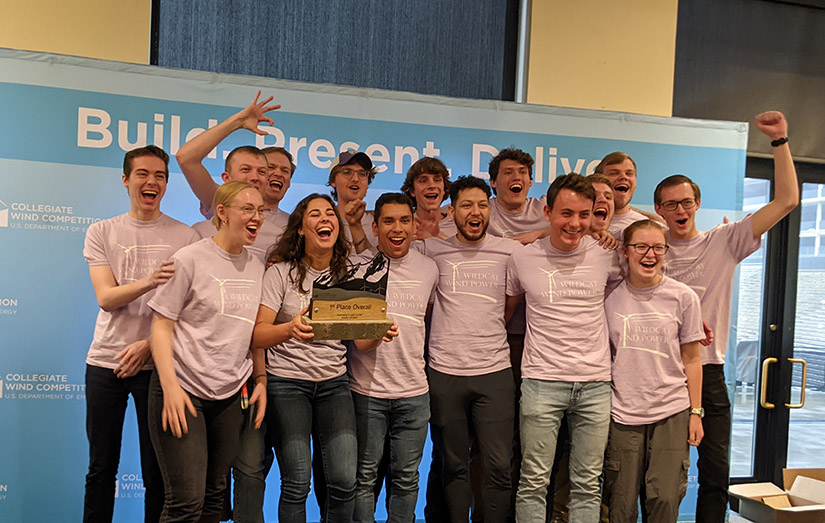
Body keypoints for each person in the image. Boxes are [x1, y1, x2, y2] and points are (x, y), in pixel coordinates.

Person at [654, 111, 799, 523]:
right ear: (659, 210)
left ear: (696, 204)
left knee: (715, 474)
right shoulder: (647, 249)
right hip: (659, 374)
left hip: (710, 372)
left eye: (686, 201)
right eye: (670, 204)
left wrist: (780, 141)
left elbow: (787, 201)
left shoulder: (726, 240)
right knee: (658, 478)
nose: (680, 209)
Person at [252, 193, 396, 522]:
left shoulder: (349, 275)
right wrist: (289, 329)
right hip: (286, 385)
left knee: (345, 482)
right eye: (314, 214)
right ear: (301, 228)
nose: (325, 219)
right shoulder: (280, 274)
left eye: (330, 213)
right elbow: (257, 334)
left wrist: (378, 333)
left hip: (333, 385)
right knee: (297, 483)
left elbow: (361, 345)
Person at [82, 145, 197, 523]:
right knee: (101, 468)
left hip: (159, 367)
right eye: (143, 174)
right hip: (105, 362)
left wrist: (149, 346)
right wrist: (149, 281)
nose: (152, 182)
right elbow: (106, 298)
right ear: (126, 179)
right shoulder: (102, 231)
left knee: (157, 474)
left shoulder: (185, 236)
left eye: (160, 176)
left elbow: (189, 311)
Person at [147, 181, 267, 521]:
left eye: (260, 210)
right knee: (186, 503)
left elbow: (252, 333)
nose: (256, 216)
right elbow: (160, 326)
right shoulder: (189, 258)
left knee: (216, 498)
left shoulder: (257, 267)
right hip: (183, 390)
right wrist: (169, 387)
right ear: (223, 213)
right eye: (247, 209)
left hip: (230, 395)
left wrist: (261, 380)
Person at [507, 173, 621, 523]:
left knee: (588, 484)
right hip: (541, 383)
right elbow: (506, 313)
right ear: (548, 211)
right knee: (533, 482)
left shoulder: (608, 256)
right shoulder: (523, 259)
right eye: (566, 213)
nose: (575, 223)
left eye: (584, 215)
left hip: (596, 384)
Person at [422, 175, 518, 523]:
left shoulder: (509, 251)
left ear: (489, 209)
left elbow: (509, 307)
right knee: (452, 464)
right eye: (466, 205)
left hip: (494, 374)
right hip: (445, 373)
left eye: (481, 204)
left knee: (497, 466)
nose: (475, 212)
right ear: (452, 211)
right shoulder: (432, 250)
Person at [602, 220, 705, 522]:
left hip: (671, 410)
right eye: (641, 247)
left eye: (658, 247)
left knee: (664, 497)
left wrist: (696, 412)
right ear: (625, 251)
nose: (650, 254)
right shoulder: (609, 298)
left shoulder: (683, 297)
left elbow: (692, 359)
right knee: (620, 503)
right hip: (622, 412)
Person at [348, 192, 438, 523]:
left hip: (415, 394)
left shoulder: (430, 269)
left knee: (406, 479)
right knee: (364, 479)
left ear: (414, 226)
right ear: (375, 226)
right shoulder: (357, 268)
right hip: (366, 394)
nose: (396, 228)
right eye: (388, 221)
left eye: (404, 220)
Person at [176, 91, 291, 262]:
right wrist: (237, 122)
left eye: (261, 172)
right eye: (246, 170)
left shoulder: (291, 225)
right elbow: (186, 158)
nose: (254, 177)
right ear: (226, 178)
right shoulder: (219, 201)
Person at [327, 149, 379, 250]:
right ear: (333, 180)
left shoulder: (380, 224)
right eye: (347, 172)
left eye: (362, 174)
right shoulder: (323, 221)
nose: (355, 179)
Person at [595, 152, 649, 238]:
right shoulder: (583, 223)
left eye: (629, 173)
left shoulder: (647, 226)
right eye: (614, 173)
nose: (623, 177)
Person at [400, 156, 456, 240]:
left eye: (437, 180)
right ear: (412, 191)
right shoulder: (403, 226)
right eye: (423, 181)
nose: (432, 186)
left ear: (444, 189)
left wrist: (438, 237)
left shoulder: (459, 223)